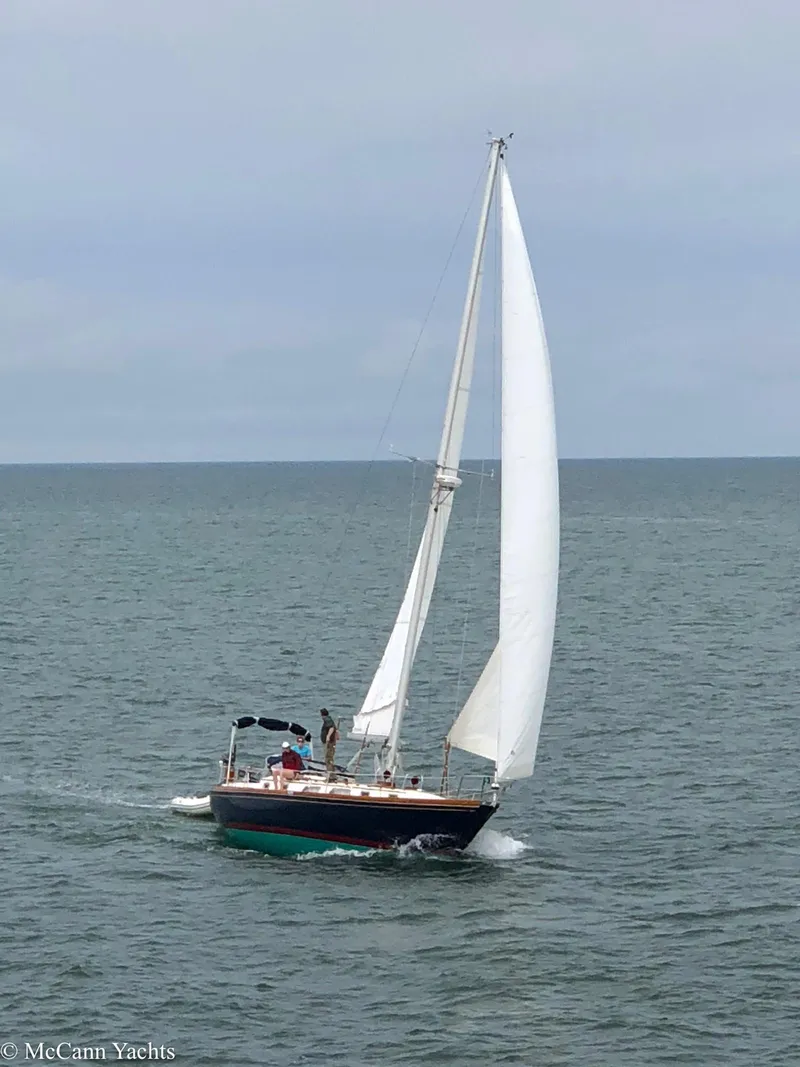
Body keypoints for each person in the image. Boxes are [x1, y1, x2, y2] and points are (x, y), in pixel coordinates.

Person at [320, 708, 339, 778]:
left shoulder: (327, 719)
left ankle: (331, 775)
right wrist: (337, 736)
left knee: (328, 758)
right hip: (330, 742)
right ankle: (332, 774)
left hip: (328, 743)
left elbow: (332, 728)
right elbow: (335, 729)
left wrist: (328, 736)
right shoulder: (329, 719)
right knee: (329, 758)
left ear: (322, 715)